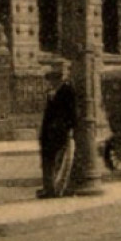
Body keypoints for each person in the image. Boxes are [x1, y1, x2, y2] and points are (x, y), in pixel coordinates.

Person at [38, 67, 77, 199]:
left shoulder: (67, 91)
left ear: (58, 80)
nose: (50, 83)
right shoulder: (53, 92)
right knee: (48, 161)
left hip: (59, 131)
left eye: (51, 80)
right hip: (50, 133)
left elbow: (71, 113)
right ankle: (49, 187)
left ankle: (55, 189)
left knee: (58, 161)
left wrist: (68, 129)